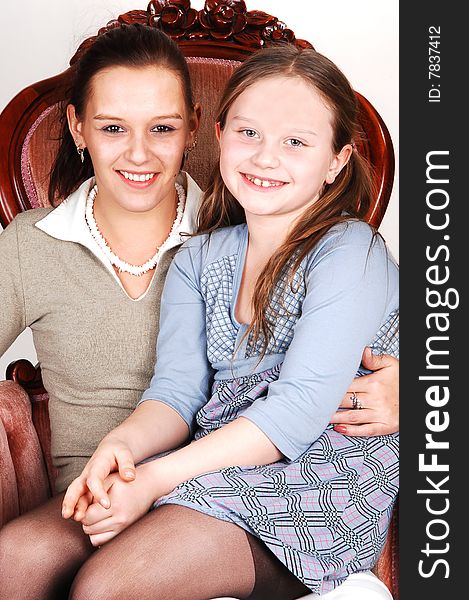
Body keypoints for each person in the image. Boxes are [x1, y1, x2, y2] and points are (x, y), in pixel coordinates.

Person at [0, 24, 398, 599]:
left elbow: (297, 412)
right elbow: (177, 391)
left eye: (297, 142)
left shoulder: (349, 250)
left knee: (107, 586)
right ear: (219, 133)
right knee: (15, 563)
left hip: (312, 488)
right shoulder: (201, 255)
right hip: (200, 469)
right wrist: (124, 446)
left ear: (338, 160)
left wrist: (430, 385)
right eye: (249, 133)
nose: (266, 157)